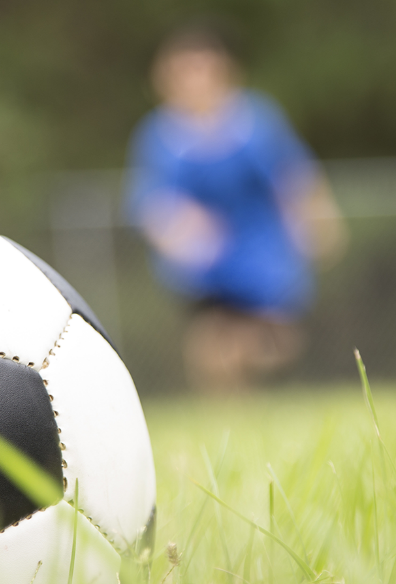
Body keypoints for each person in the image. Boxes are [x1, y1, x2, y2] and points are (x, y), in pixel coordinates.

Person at [124, 24, 346, 393]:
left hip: (263, 254)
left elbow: (293, 175)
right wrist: (176, 229)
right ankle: (227, 418)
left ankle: (254, 378)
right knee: (212, 343)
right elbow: (150, 201)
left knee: (272, 345)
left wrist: (316, 221)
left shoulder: (254, 123)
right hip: (205, 262)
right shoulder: (160, 136)